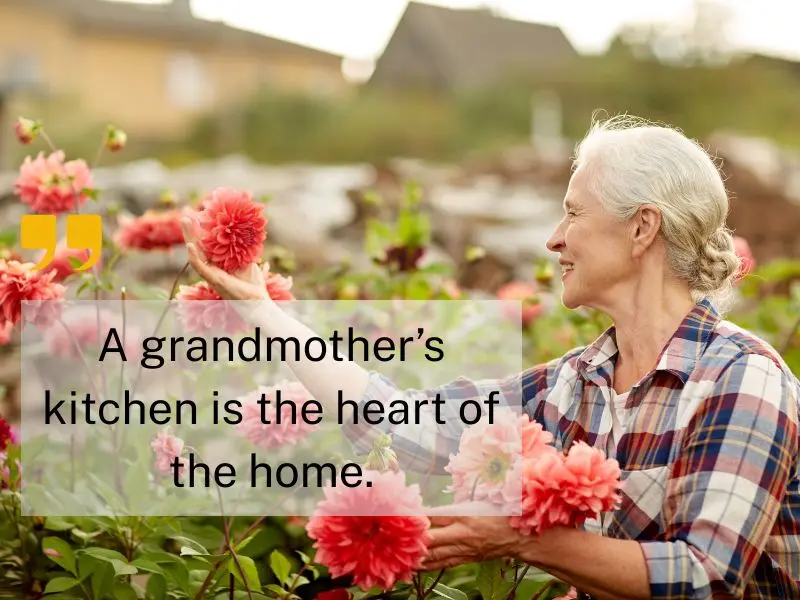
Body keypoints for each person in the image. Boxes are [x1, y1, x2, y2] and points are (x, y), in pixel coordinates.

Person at [180, 114, 800, 600]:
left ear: (642, 229)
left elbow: (705, 579)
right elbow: (408, 425)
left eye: (573, 212)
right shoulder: (573, 385)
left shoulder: (741, 378)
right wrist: (262, 312)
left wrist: (523, 538)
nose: (553, 237)